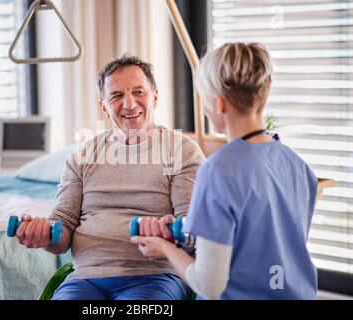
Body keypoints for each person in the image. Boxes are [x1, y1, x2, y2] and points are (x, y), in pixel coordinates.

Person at [131, 43, 318, 300]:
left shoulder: (217, 170)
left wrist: (164, 248)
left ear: (218, 104)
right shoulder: (298, 166)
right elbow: (270, 245)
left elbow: (208, 284)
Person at [16, 54, 205, 300]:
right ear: (104, 106)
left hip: (155, 276)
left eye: (139, 92)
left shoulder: (183, 151)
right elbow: (61, 233)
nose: (129, 104)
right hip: (85, 279)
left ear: (155, 97)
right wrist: (42, 233)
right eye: (116, 96)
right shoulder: (82, 156)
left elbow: (195, 231)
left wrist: (171, 235)